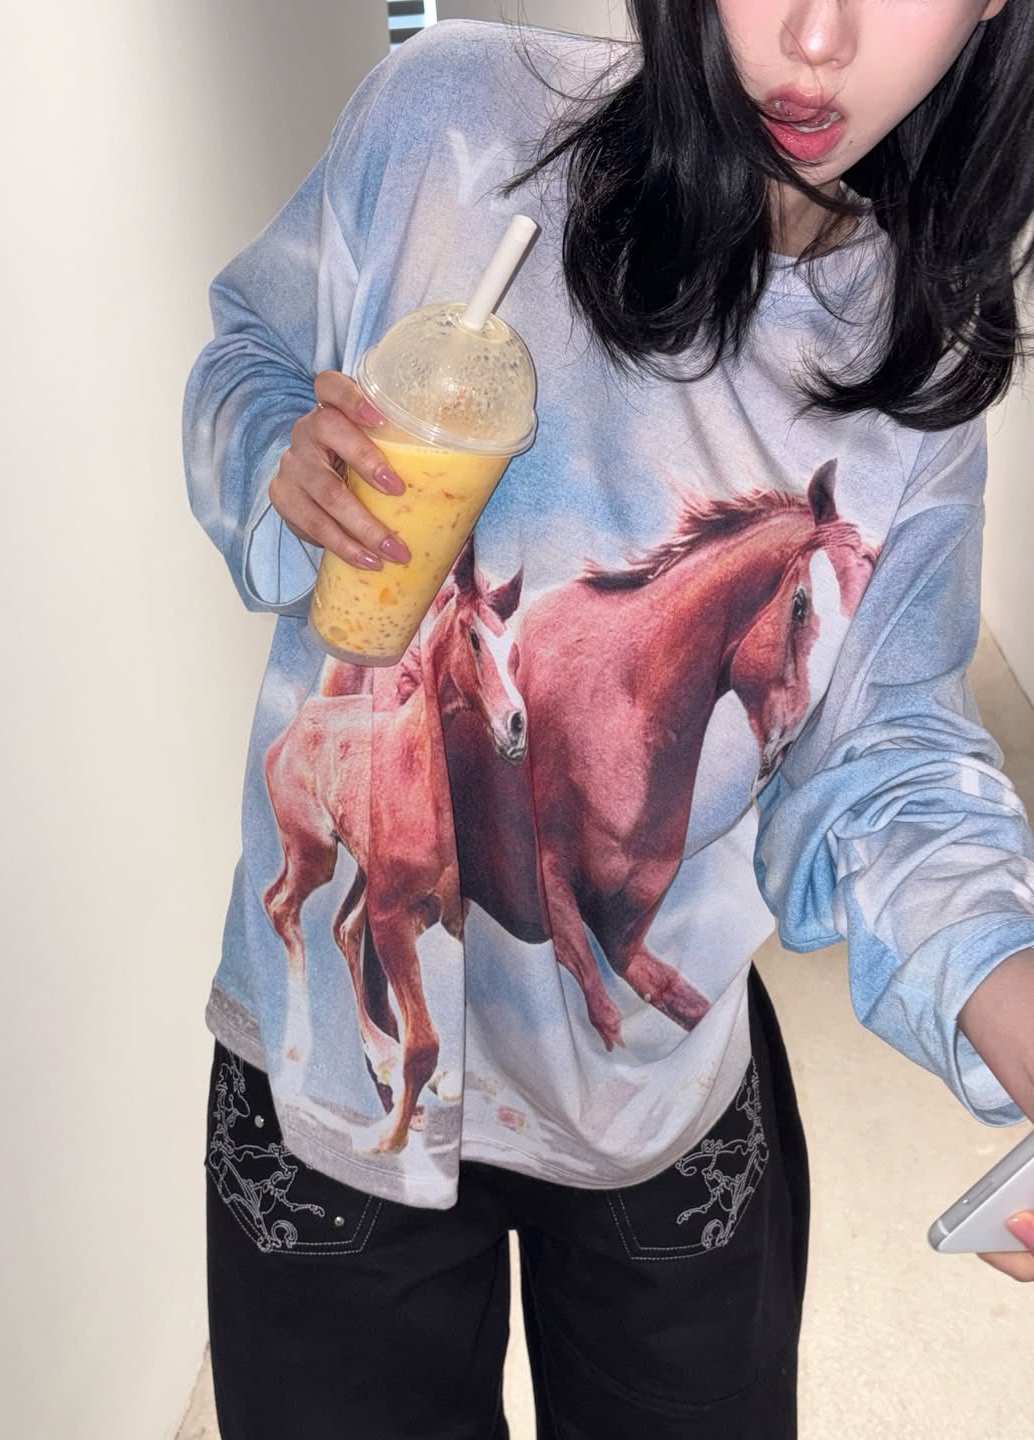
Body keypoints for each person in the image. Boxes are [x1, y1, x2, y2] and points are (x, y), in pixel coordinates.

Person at [183, 5, 1034, 1436]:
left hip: (652, 1097)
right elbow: (251, 351)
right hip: (336, 1068)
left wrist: (1012, 1001)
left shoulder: (916, 367)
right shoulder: (447, 124)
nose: (816, 38)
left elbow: (884, 763)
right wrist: (280, 449)